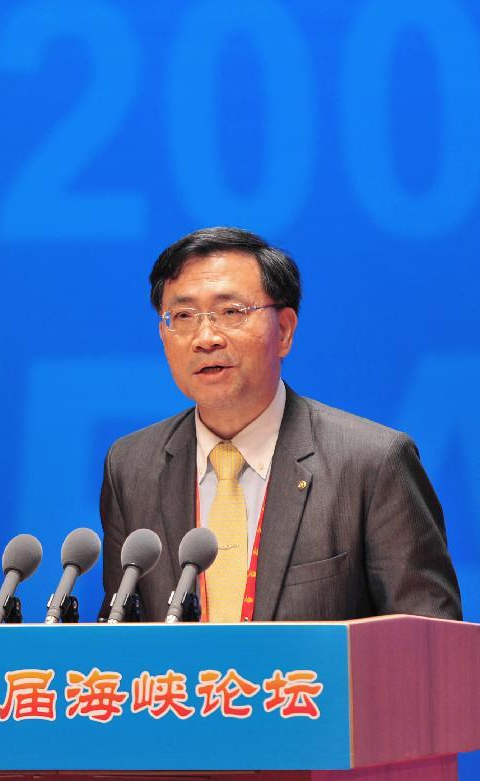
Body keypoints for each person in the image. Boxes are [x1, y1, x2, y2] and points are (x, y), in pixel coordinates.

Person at [98, 227, 462, 623]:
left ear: (284, 330)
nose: (205, 338)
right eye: (183, 316)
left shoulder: (372, 463)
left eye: (231, 312)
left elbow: (429, 646)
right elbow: (122, 640)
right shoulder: (132, 466)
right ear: (163, 335)